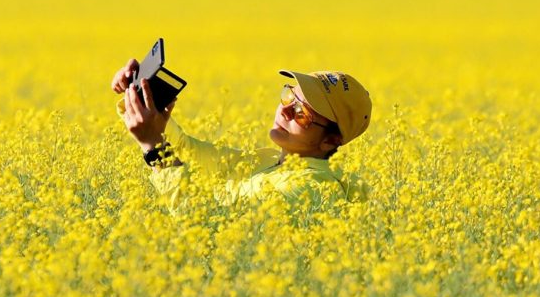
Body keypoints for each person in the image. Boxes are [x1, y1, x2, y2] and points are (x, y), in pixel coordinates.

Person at [112, 59, 372, 206]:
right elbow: (188, 151)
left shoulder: (310, 188)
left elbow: (204, 217)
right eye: (287, 97)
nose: (285, 112)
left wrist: (155, 148)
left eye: (302, 114)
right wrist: (139, 100)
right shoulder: (269, 161)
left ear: (331, 140)